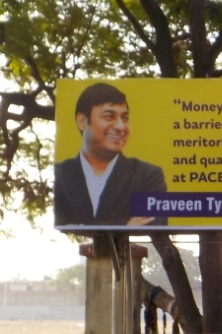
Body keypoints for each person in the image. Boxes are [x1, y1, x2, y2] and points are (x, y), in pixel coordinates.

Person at [54, 82, 167, 226]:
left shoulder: (146, 175)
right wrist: (125, 227)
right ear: (82, 121)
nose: (120, 127)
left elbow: (153, 226)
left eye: (125, 118)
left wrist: (84, 227)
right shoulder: (59, 174)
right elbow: (61, 225)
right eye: (109, 117)